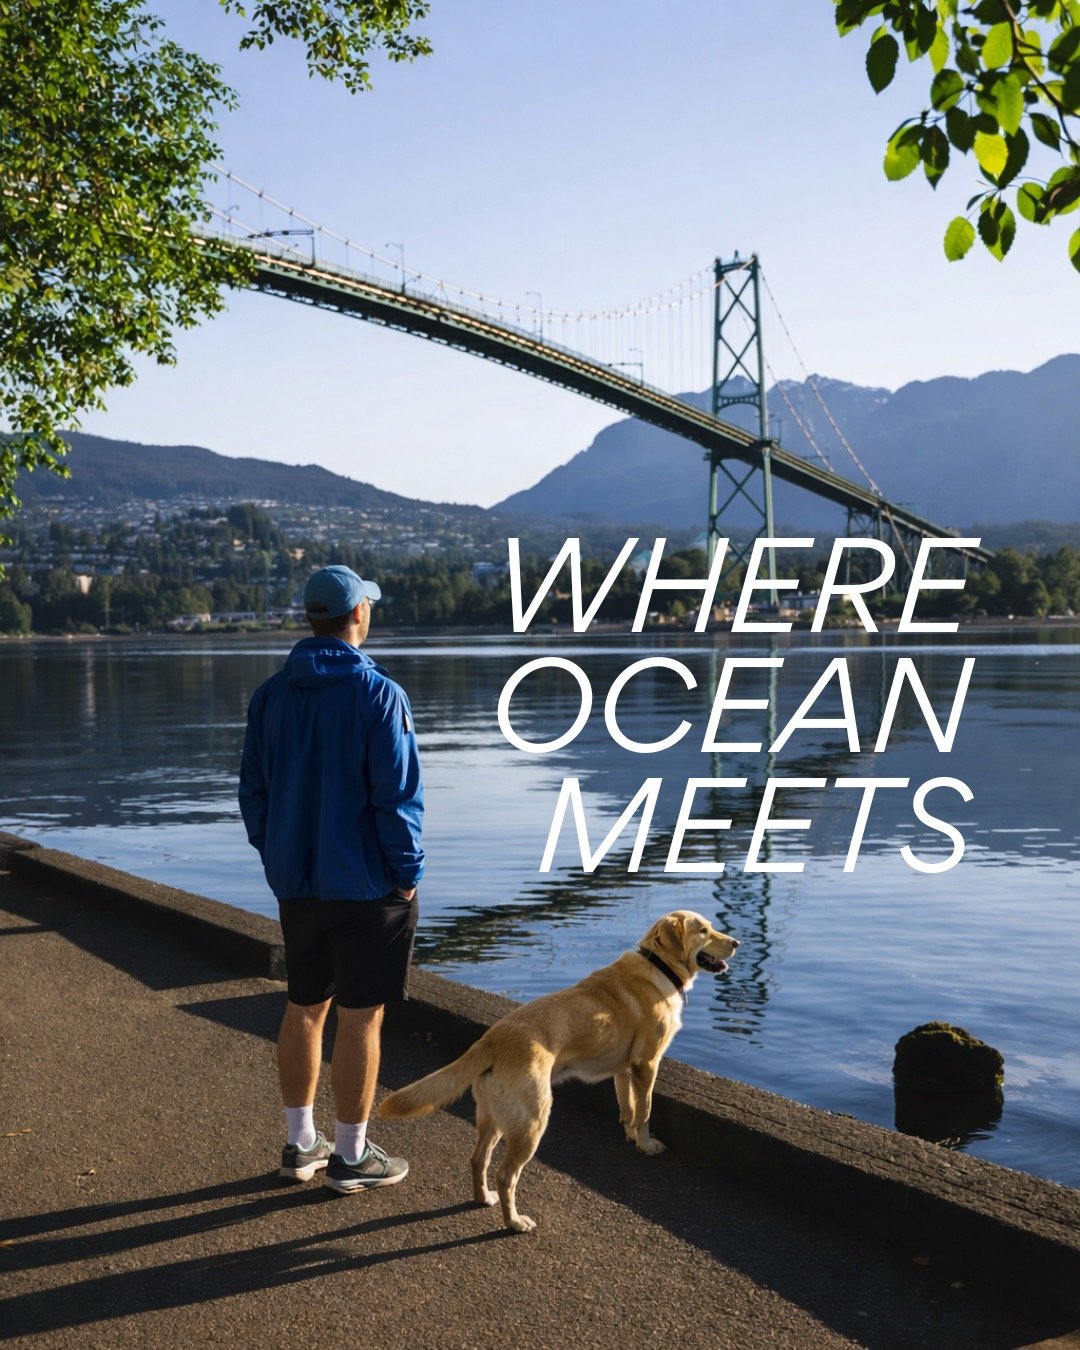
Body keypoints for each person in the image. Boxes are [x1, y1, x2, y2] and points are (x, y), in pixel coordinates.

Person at [239, 564, 424, 1194]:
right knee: (362, 1015)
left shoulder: (270, 695)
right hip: (367, 886)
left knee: (304, 1004)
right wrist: (407, 876)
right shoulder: (379, 696)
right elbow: (396, 801)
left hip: (298, 885)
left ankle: (299, 1145)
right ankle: (350, 1155)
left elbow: (254, 795)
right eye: (367, 605)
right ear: (357, 616)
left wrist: (279, 857)